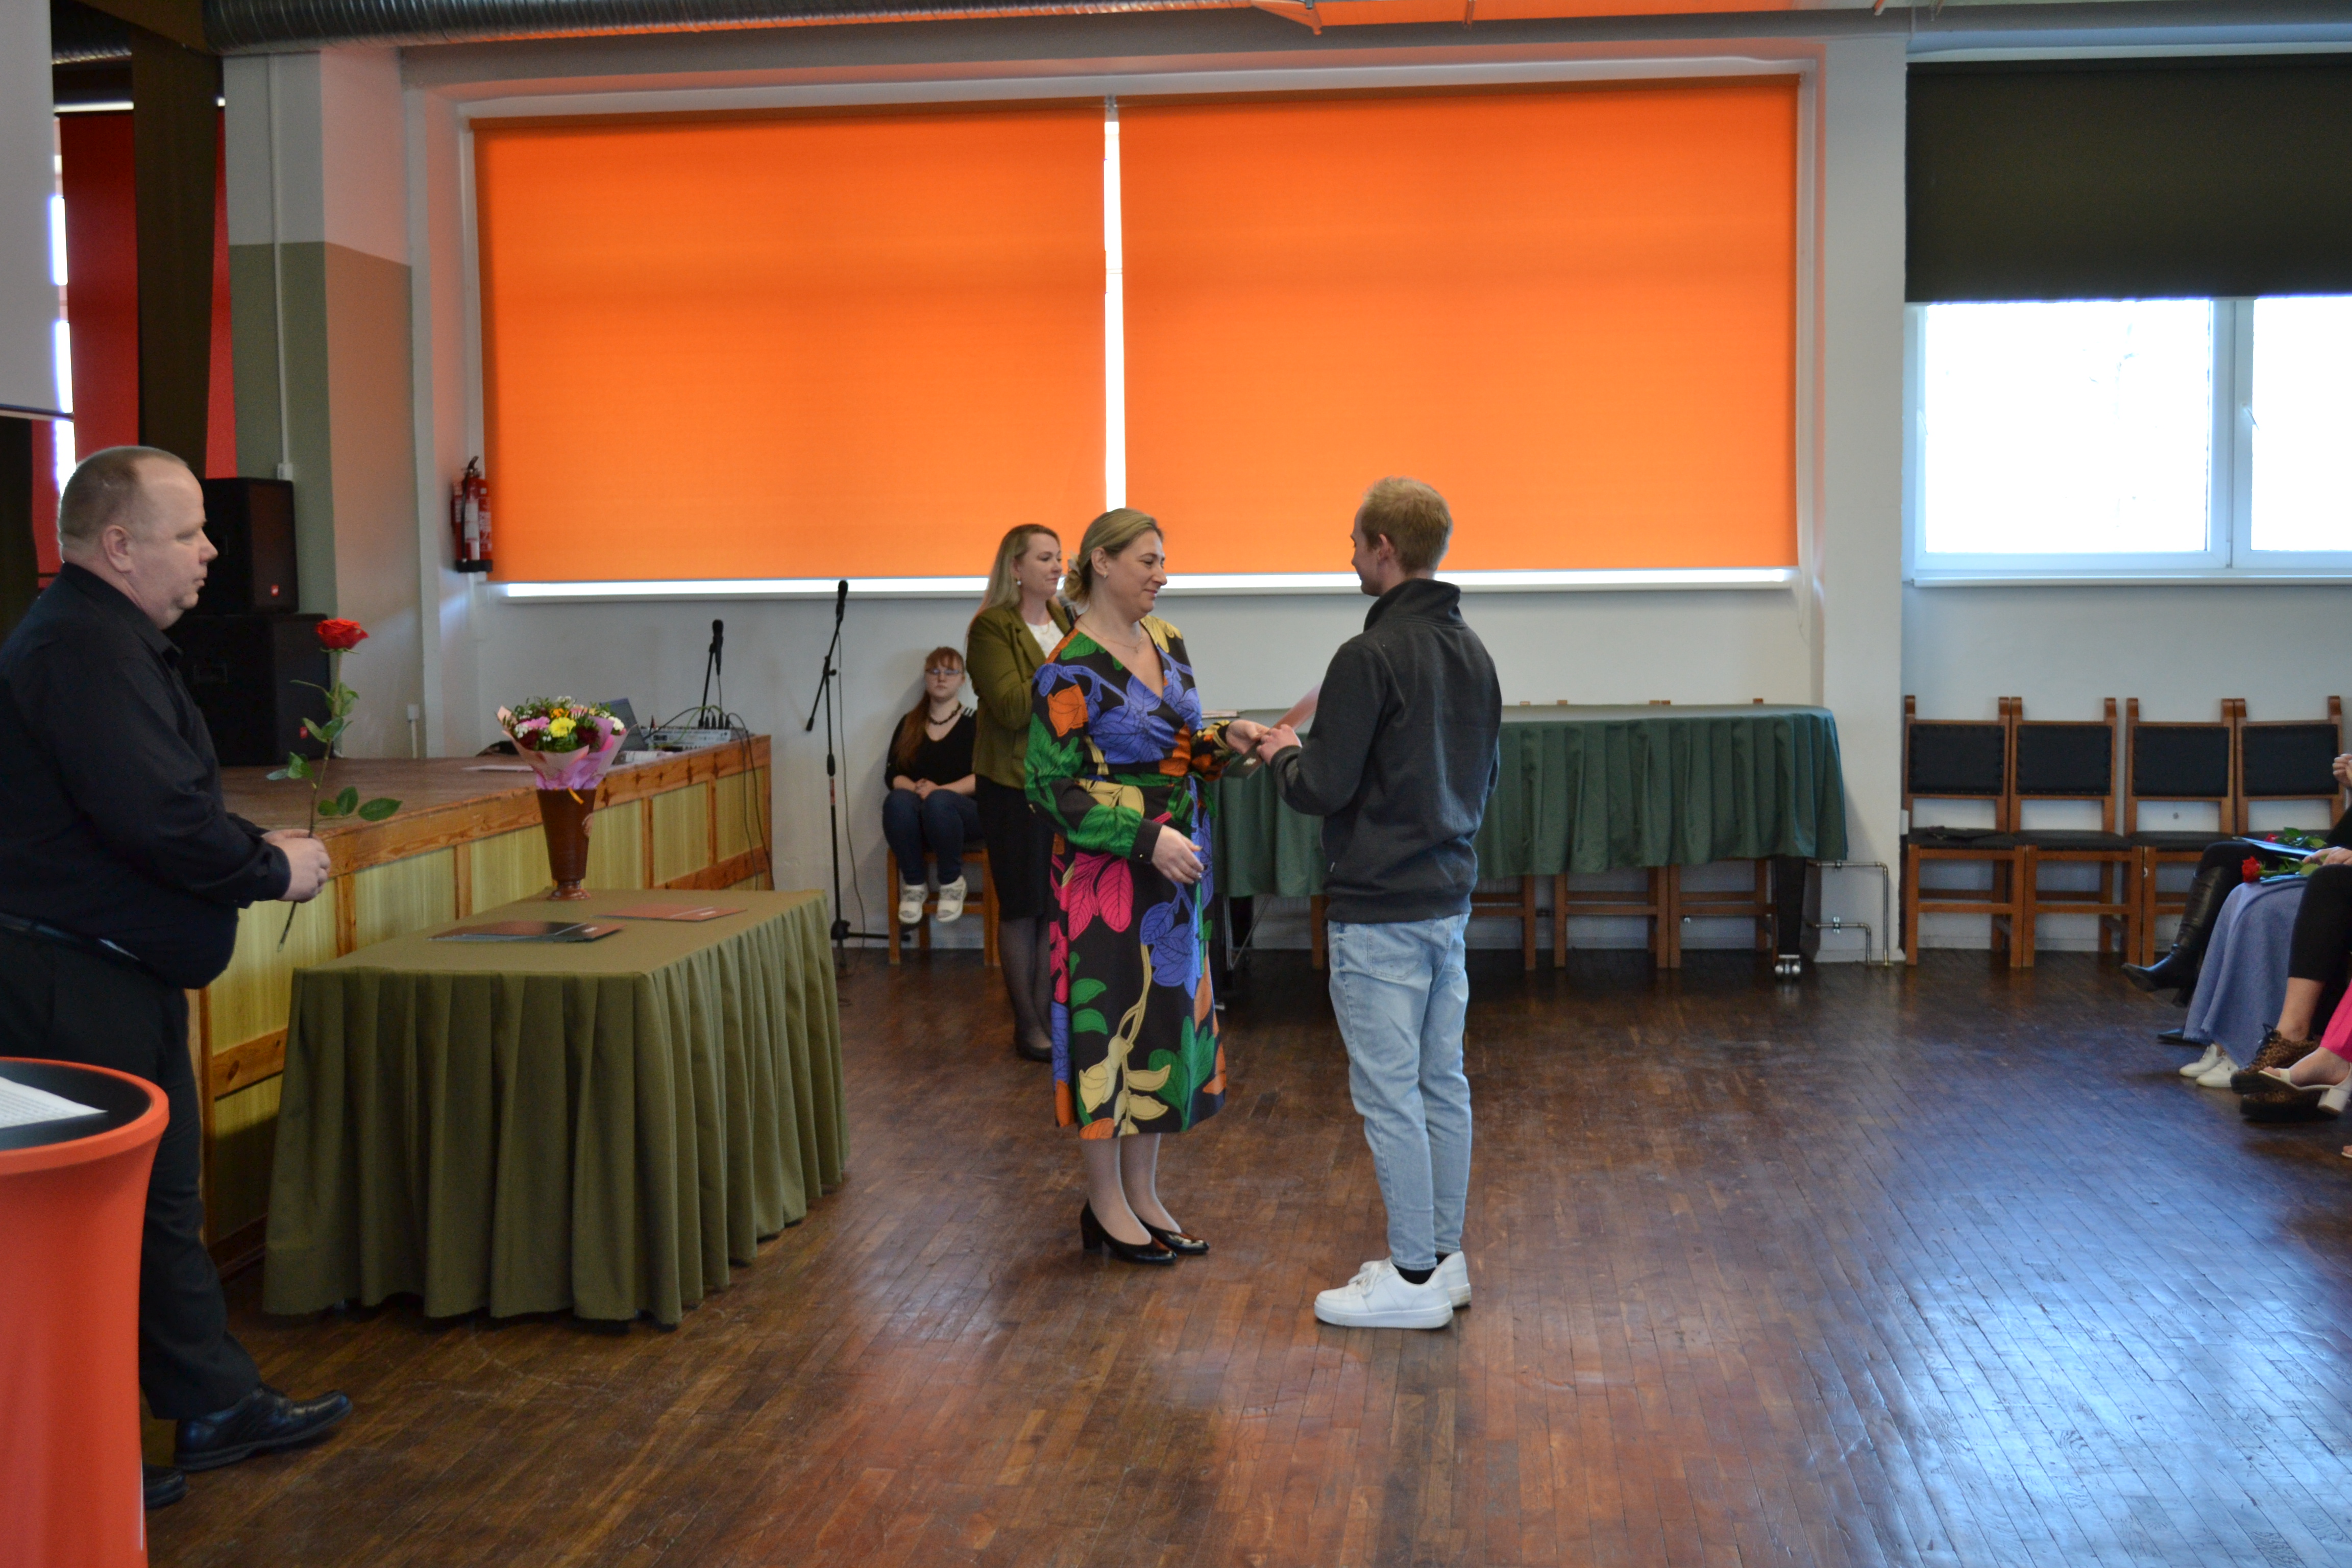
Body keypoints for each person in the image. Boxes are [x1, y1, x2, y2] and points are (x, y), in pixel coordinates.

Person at [0, 447, 351, 1511]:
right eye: (190, 531)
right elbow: (151, 817)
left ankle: (211, 1404)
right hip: (66, 982)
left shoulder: (107, 639)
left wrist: (246, 843)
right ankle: (79, 1458)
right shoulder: (78, 649)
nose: (210, 553)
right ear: (118, 545)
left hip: (115, 972)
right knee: (80, 1227)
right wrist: (267, 869)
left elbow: (153, 800)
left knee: (156, 1207)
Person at [1253, 477, 1501, 1331]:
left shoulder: (1367, 656)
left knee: (1391, 1095)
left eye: (1356, 543)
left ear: (1384, 548)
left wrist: (1282, 752)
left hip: (1379, 908)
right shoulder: (1472, 649)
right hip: (1446, 899)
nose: (1350, 556)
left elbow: (1320, 786)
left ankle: (1410, 1277)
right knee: (1441, 1084)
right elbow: (1483, 778)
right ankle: (1440, 1259)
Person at [1026, 508, 1266, 1264]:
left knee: (1159, 1024)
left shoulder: (1167, 639)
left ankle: (1144, 1194)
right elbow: (1049, 788)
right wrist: (1142, 838)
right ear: (1101, 563)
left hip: (1177, 865)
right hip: (1108, 877)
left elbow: (1180, 743)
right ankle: (1104, 1203)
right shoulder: (1066, 669)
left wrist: (1225, 739)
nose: (1162, 575)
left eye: (1163, 561)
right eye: (1148, 561)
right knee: (1107, 1029)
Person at [966, 526, 1074, 1061]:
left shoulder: (1065, 620)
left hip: (1060, 778)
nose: (1057, 567)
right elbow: (1011, 708)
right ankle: (1027, 1027)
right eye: (1045, 558)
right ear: (1015, 567)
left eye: (1060, 557)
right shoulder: (992, 628)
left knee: (1053, 905)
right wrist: (1065, 662)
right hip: (1011, 784)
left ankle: (1050, 1020)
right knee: (1021, 905)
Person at [884, 647, 981, 929]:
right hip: (921, 811)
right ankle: (914, 884)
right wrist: (919, 789)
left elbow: (985, 777)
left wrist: (941, 791)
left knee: (940, 802)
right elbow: (893, 775)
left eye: (950, 672)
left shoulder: (976, 722)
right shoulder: (910, 723)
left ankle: (951, 882)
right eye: (935, 671)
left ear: (962, 679)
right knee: (897, 801)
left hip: (967, 815)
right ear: (926, 677)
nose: (942, 678)